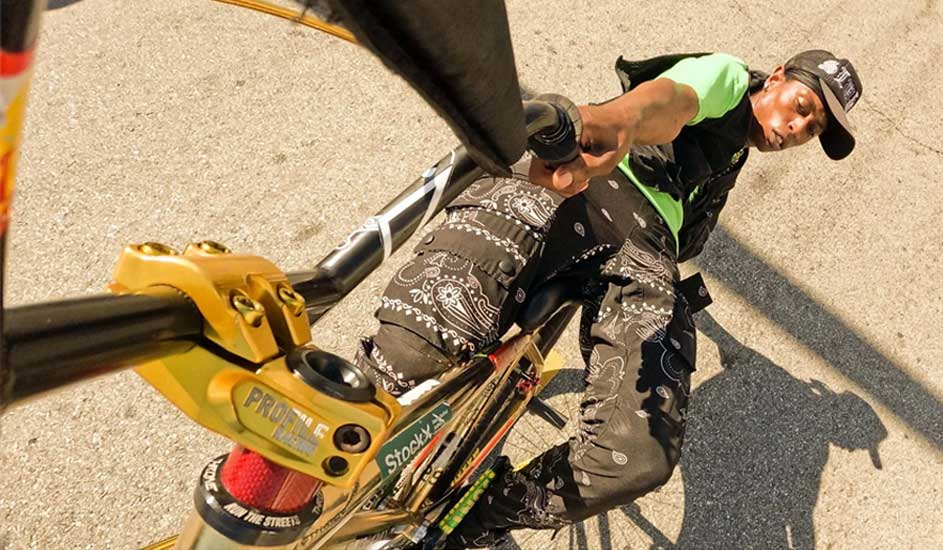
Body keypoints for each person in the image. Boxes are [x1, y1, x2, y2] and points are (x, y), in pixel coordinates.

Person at [353, 49, 863, 548]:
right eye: (802, 107)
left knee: (639, 457)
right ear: (775, 78)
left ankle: (482, 514)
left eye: (812, 129)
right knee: (415, 347)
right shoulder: (727, 79)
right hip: (587, 188)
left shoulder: (733, 155)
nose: (798, 128)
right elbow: (670, 100)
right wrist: (618, 119)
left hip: (645, 255)